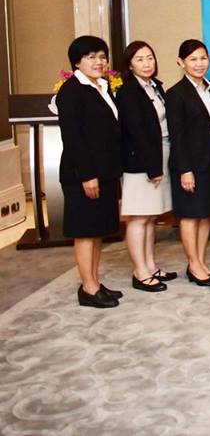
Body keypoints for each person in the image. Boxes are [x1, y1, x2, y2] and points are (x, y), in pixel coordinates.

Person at [56, 36, 124, 308]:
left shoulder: (102, 86)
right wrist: (87, 175)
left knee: (97, 230)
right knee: (85, 231)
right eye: (91, 57)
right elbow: (73, 138)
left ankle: (93, 281)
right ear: (77, 62)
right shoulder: (71, 91)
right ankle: (88, 287)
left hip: (105, 171)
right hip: (82, 175)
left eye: (102, 56)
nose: (99, 62)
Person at [117, 40, 175, 293]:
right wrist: (152, 167)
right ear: (129, 65)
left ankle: (151, 266)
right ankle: (139, 271)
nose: (146, 63)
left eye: (149, 57)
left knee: (151, 216)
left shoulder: (155, 86)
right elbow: (137, 133)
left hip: (160, 152)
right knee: (139, 217)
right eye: (139, 59)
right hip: (141, 161)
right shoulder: (128, 92)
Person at [165, 39, 210, 287]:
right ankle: (193, 264)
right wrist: (185, 169)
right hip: (189, 163)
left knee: (205, 214)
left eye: (203, 58)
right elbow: (177, 136)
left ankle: (200, 261)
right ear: (181, 62)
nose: (199, 64)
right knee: (190, 215)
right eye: (193, 59)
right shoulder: (176, 93)